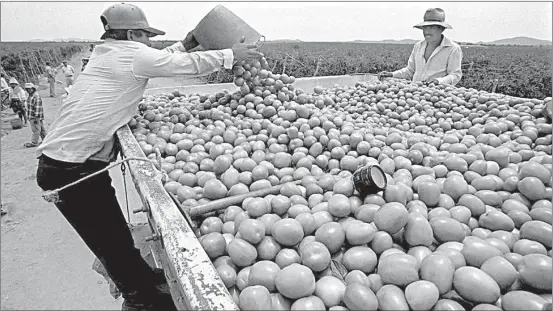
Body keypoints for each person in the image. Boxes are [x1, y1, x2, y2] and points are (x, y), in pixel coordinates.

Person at [35, 3, 263, 311]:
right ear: (131, 34)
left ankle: (143, 279)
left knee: (114, 233)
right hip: (71, 169)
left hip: (71, 162)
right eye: (145, 35)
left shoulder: (111, 54)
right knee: (110, 240)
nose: (148, 41)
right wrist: (231, 56)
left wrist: (185, 44)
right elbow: (180, 65)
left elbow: (157, 60)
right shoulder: (129, 54)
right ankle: (140, 300)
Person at [379, 8, 463, 86]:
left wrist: (439, 81)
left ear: (441, 29)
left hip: (438, 95)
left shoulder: (453, 48)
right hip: (416, 93)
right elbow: (409, 71)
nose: (427, 31)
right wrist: (392, 74)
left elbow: (455, 75)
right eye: (425, 27)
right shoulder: (418, 46)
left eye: (432, 27)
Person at [23, 83, 47, 147]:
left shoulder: (36, 96)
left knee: (36, 130)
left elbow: (37, 107)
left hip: (35, 116)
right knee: (41, 129)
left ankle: (34, 142)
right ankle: (46, 140)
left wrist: (36, 117)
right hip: (33, 116)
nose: (28, 90)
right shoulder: (30, 96)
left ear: (33, 89)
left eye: (29, 89)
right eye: (27, 89)